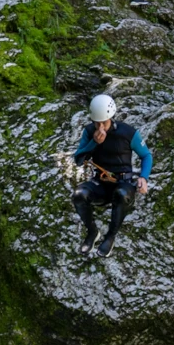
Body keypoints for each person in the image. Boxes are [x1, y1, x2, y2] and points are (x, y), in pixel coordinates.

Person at [71, 93, 153, 257]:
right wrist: (94, 142)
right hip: (100, 183)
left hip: (123, 182)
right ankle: (92, 232)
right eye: (96, 122)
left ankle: (110, 236)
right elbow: (79, 159)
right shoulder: (89, 132)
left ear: (111, 117)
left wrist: (143, 177)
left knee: (121, 194)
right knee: (79, 195)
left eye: (104, 122)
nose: (100, 126)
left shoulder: (127, 132)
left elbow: (146, 155)